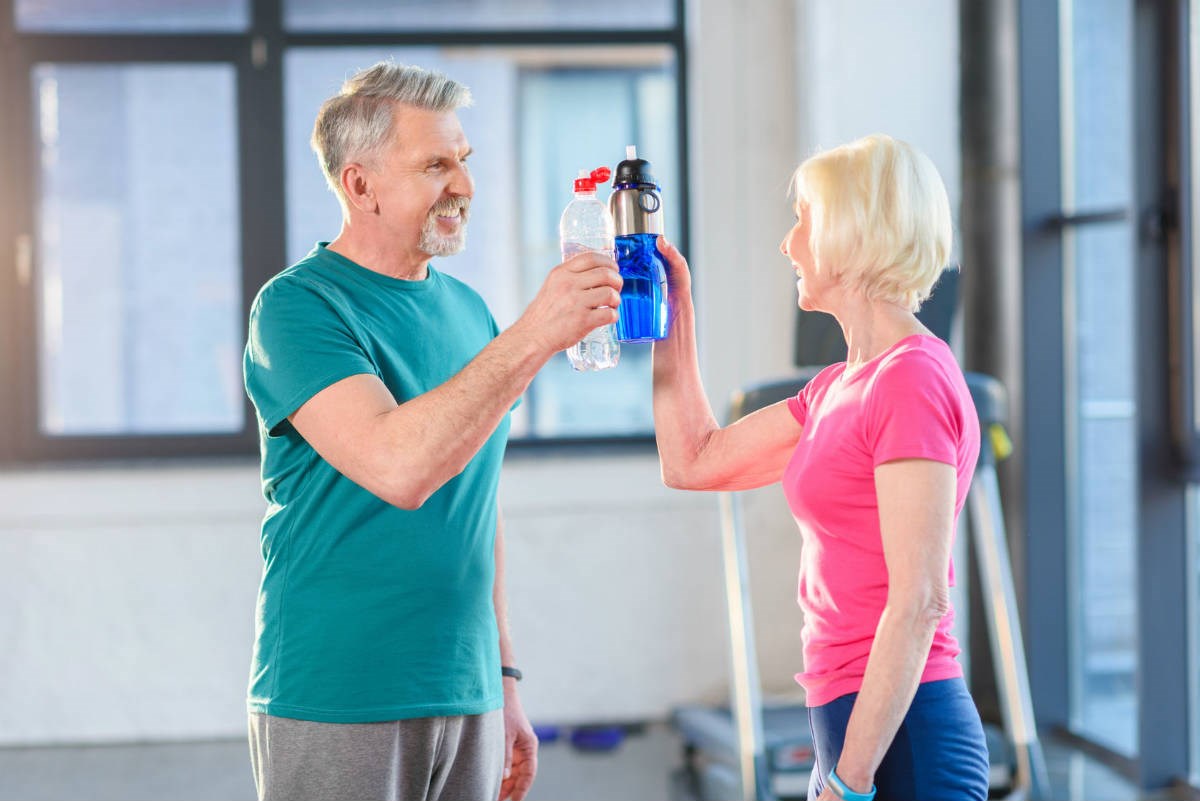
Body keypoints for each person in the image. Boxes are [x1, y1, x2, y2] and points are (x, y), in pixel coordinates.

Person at [242, 61, 622, 801]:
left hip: (466, 684)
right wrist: (535, 334)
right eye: (436, 165)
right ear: (360, 185)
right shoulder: (297, 309)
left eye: (465, 162)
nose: (465, 186)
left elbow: (476, 505)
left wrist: (503, 674)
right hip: (340, 688)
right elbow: (400, 466)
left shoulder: (469, 312)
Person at [651, 134, 989, 801]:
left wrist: (851, 780)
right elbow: (692, 460)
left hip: (907, 734)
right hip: (849, 723)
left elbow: (920, 600)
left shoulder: (911, 379)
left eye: (803, 220)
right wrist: (673, 313)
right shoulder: (836, 386)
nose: (789, 244)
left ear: (851, 232)